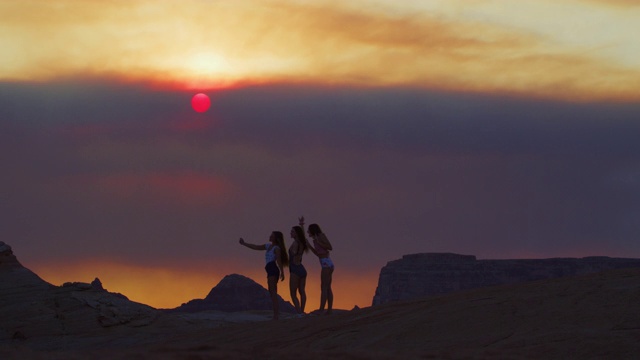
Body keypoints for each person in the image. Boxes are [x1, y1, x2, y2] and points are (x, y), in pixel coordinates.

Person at [239, 231, 288, 320]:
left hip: (273, 268)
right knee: (272, 291)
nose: (270, 236)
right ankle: (276, 314)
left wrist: (282, 272)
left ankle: (276, 315)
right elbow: (256, 247)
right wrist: (244, 243)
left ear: (275, 238)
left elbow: (279, 261)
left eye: (272, 236)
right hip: (269, 269)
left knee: (273, 292)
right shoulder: (268, 246)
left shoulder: (277, 248)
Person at [301, 218, 334, 315]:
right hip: (325, 262)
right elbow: (318, 254)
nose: (307, 232)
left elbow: (330, 247)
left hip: (326, 263)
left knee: (324, 287)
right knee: (327, 287)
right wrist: (310, 246)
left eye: (308, 230)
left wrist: (319, 242)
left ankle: (322, 309)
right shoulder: (315, 240)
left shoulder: (321, 236)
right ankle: (329, 310)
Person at [289, 219, 309, 315]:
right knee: (302, 291)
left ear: (296, 233)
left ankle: (299, 312)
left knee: (293, 293)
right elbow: (303, 237)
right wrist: (301, 225)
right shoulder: (301, 243)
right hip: (302, 269)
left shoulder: (296, 243)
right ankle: (302, 311)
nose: (290, 233)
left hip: (295, 269)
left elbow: (294, 255)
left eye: (292, 231)